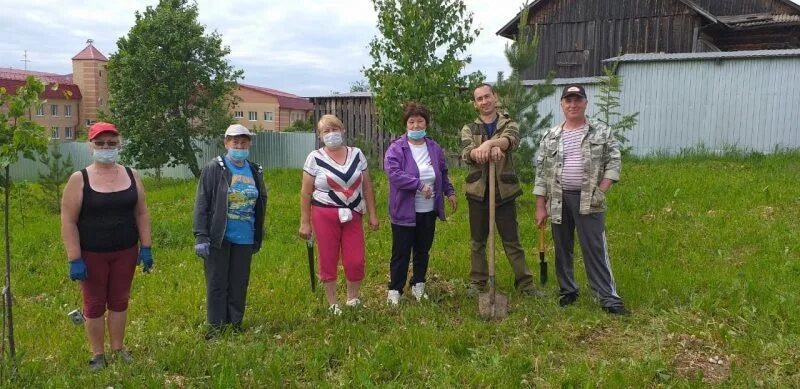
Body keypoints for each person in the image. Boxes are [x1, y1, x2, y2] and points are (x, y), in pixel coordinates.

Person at [60, 122, 154, 371]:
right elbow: (68, 221)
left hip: (125, 251)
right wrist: (74, 258)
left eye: (111, 143)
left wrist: (146, 246)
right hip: (92, 254)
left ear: (119, 145)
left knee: (120, 301)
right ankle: (98, 355)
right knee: (94, 303)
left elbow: (142, 213)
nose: (106, 148)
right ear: (91, 146)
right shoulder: (79, 179)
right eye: (100, 143)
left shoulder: (132, 175)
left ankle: (118, 349)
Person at [534, 84, 629, 315]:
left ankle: (607, 297)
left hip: (589, 199)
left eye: (578, 100)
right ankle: (568, 290)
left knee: (594, 247)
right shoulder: (550, 136)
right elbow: (542, 172)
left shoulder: (601, 132)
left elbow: (614, 162)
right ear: (562, 104)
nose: (573, 105)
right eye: (568, 100)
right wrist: (540, 206)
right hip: (558, 199)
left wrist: (601, 190)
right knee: (562, 247)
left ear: (585, 103)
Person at [460, 83, 542, 297]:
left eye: (488, 96)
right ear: (475, 104)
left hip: (504, 192)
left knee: (512, 241)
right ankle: (478, 283)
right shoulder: (469, 128)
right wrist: (481, 152)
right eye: (480, 99)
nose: (485, 101)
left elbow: (511, 140)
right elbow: (467, 153)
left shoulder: (508, 123)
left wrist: (492, 145)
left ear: (495, 97)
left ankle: (526, 284)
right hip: (478, 192)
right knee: (477, 242)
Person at [298, 114, 379, 315]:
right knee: (328, 257)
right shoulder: (314, 158)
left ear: (342, 131)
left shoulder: (357, 154)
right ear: (320, 136)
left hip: (353, 213)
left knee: (355, 259)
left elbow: (367, 187)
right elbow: (306, 192)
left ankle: (353, 298)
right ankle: (333, 303)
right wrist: (304, 222)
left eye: (335, 129)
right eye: (326, 131)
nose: (331, 134)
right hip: (324, 214)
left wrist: (373, 214)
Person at [193, 124, 268, 338]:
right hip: (219, 236)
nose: (239, 146)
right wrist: (201, 235)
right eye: (235, 142)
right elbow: (202, 202)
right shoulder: (214, 168)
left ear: (249, 144)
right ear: (226, 143)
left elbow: (261, 202)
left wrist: (257, 235)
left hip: (245, 236)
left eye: (244, 142)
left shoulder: (254, 170)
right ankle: (216, 327)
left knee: (239, 282)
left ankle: (234, 324)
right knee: (217, 282)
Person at [384, 102, 457, 305]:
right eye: (412, 121)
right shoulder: (396, 149)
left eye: (420, 121)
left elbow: (442, 172)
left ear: (426, 123)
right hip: (404, 211)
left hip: (427, 210)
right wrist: (418, 185)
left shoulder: (433, 147)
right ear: (406, 124)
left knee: (423, 250)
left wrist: (449, 191)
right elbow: (394, 174)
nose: (416, 125)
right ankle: (395, 289)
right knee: (401, 252)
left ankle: (418, 284)